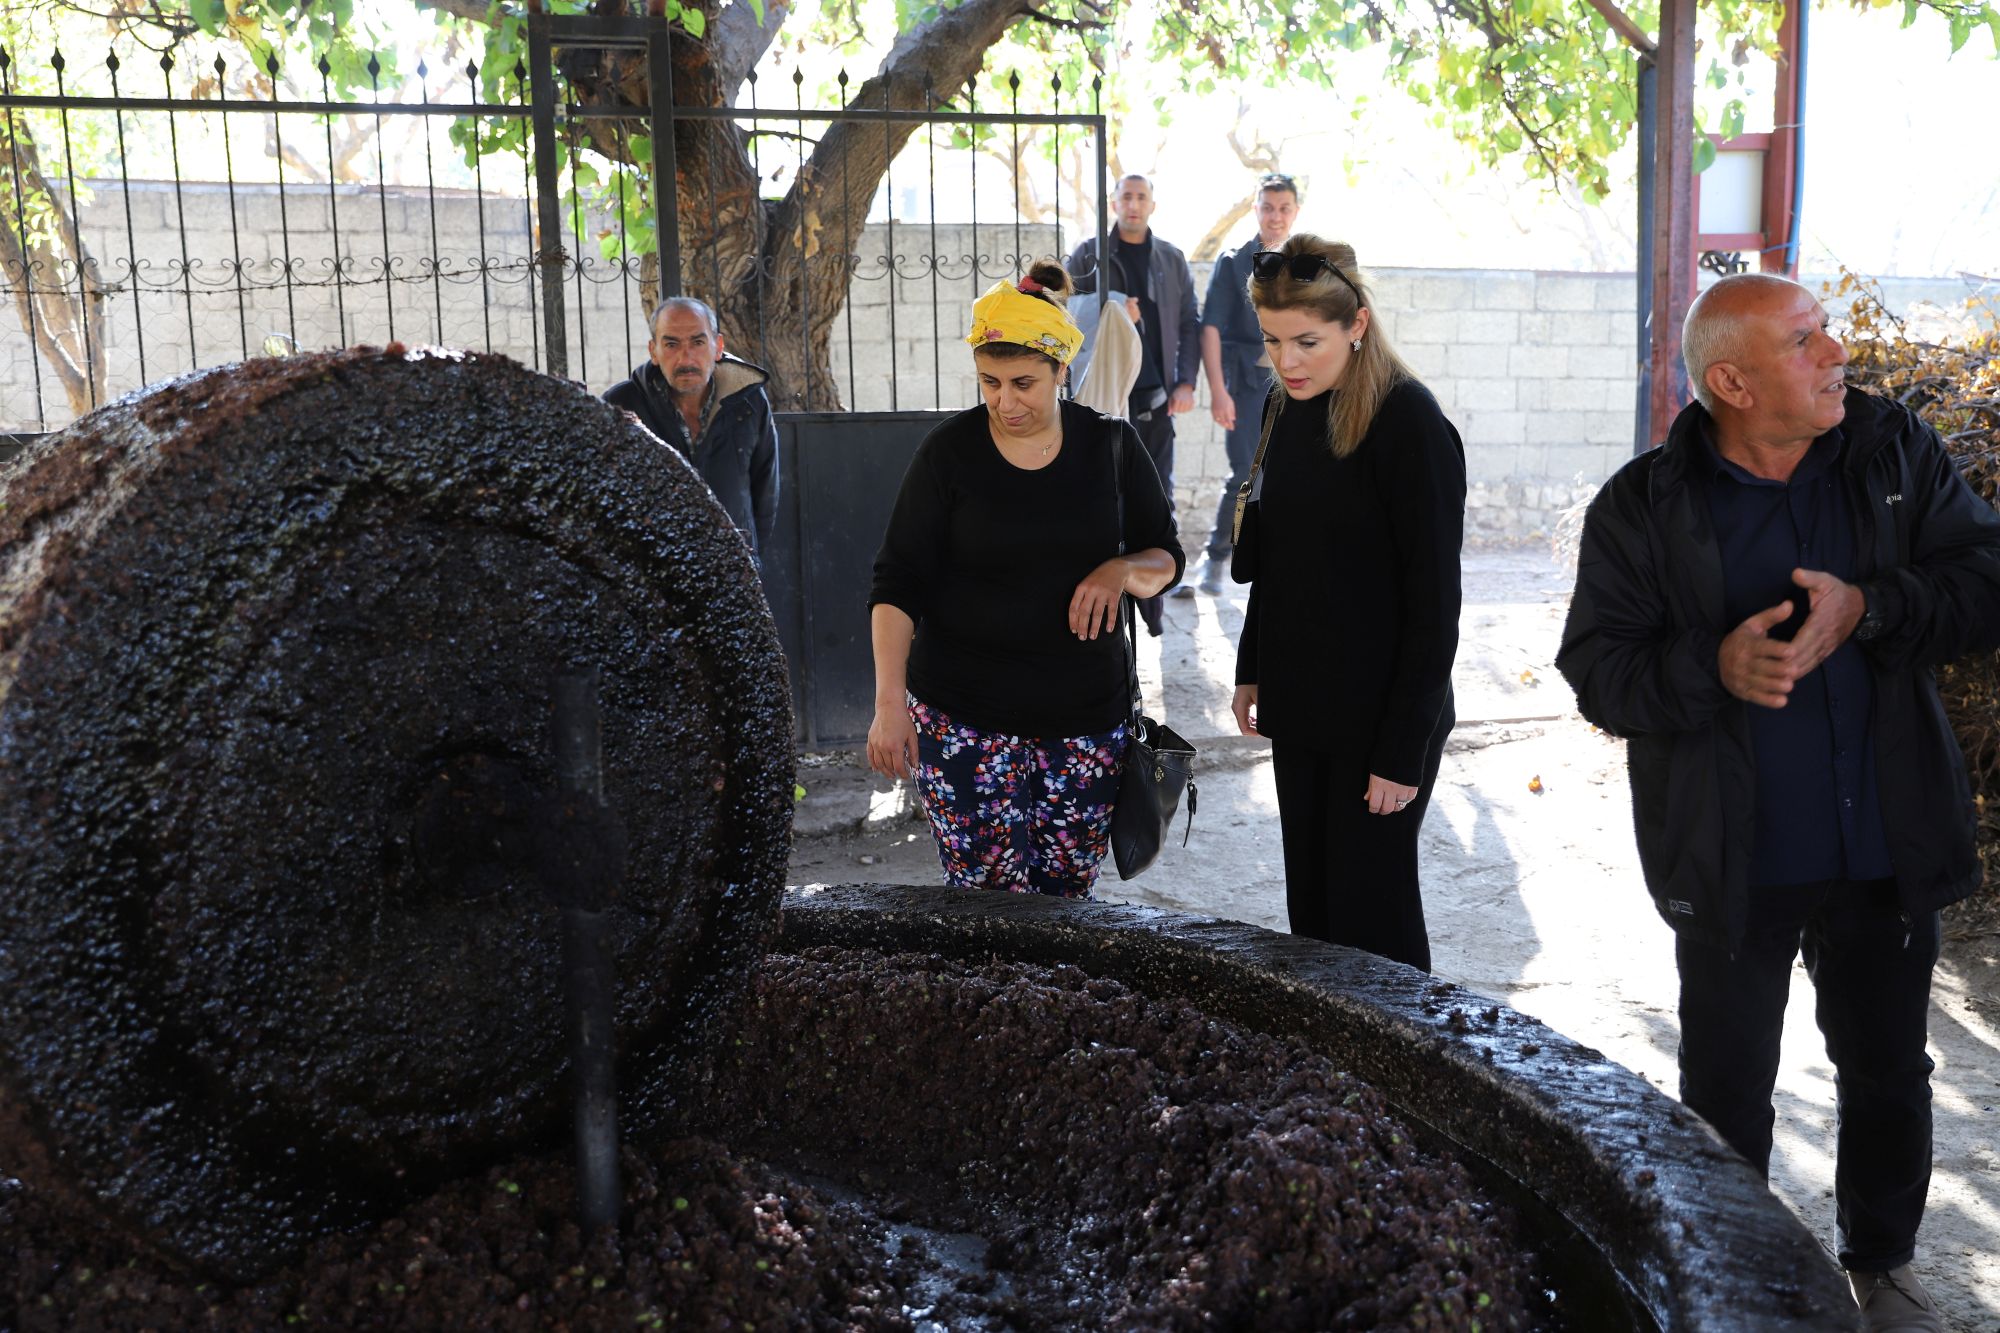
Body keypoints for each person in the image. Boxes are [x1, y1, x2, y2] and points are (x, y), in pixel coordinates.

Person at [1556, 272, 2000, 1333]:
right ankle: (1733, 1280)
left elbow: (1988, 574)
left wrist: (1872, 606)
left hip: (1882, 838)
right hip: (1732, 855)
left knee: (1887, 1070)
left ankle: (1882, 1266)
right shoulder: (1643, 504)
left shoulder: (1892, 453)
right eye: (1804, 340)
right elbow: (1597, 670)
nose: (1837, 352)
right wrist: (1710, 666)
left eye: (1824, 331)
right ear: (1733, 383)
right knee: (1724, 1083)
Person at [866, 262, 1183, 899]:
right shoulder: (948, 453)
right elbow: (897, 582)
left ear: (1061, 371)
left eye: (1023, 383)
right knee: (981, 903)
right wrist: (889, 704)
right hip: (961, 723)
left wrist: (1121, 569)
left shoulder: (1113, 448)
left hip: (1085, 726)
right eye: (990, 382)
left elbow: (1166, 559)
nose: (1005, 402)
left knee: (1066, 902)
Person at [1230, 236, 1465, 971]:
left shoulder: (1410, 422)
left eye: (1307, 342)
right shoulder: (1283, 405)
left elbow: (1435, 606)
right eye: (1272, 341)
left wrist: (1401, 751)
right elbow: (1275, 556)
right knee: (1314, 913)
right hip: (1302, 698)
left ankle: (1405, 1047)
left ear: (1356, 323)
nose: (1287, 361)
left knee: (1374, 919)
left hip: (1380, 716)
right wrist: (1251, 667)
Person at [1065, 175, 1201, 636]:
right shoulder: (1088, 253)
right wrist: (1117, 306)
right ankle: (1111, 600)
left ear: (1152, 205)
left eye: (1142, 197)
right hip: (1103, 394)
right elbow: (1063, 311)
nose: (1134, 204)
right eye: (1126, 196)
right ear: (1113, 202)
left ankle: (1154, 604)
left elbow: (1190, 322)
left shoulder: (1172, 258)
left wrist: (1186, 382)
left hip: (1155, 395)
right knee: (1104, 492)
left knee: (1158, 492)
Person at [1179, 172, 1301, 598]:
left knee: (1296, 470)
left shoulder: (1306, 262)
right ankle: (1216, 559)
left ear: (1295, 212)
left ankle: (1287, 560)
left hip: (1299, 381)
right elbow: (1210, 326)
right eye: (1268, 207)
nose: (1275, 216)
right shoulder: (1233, 262)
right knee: (1245, 473)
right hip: (1247, 382)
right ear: (1255, 210)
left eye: (1284, 208)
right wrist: (1219, 391)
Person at [604, 296, 779, 558]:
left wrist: (750, 559)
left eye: (698, 342)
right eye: (671, 344)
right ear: (654, 351)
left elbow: (765, 493)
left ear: (718, 347)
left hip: (730, 567)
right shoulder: (621, 405)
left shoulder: (749, 402)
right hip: (653, 570)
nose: (686, 358)